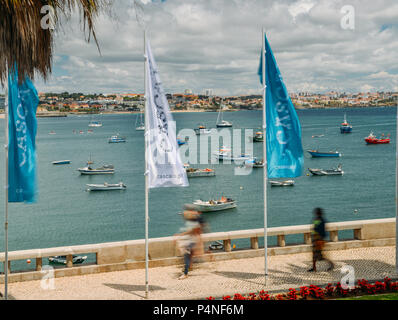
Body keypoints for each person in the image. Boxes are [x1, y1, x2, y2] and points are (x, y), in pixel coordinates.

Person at [174, 210, 204, 280]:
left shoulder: (195, 222)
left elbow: (192, 232)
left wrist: (180, 235)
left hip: (193, 242)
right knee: (188, 256)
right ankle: (189, 268)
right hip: (191, 241)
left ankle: (185, 273)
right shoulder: (193, 222)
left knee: (187, 256)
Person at [308, 207, 334, 272]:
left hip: (318, 240)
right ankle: (314, 268)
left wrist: (319, 239)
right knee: (314, 255)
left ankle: (331, 264)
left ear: (318, 213)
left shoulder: (321, 221)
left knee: (320, 256)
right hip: (315, 239)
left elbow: (319, 230)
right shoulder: (319, 220)